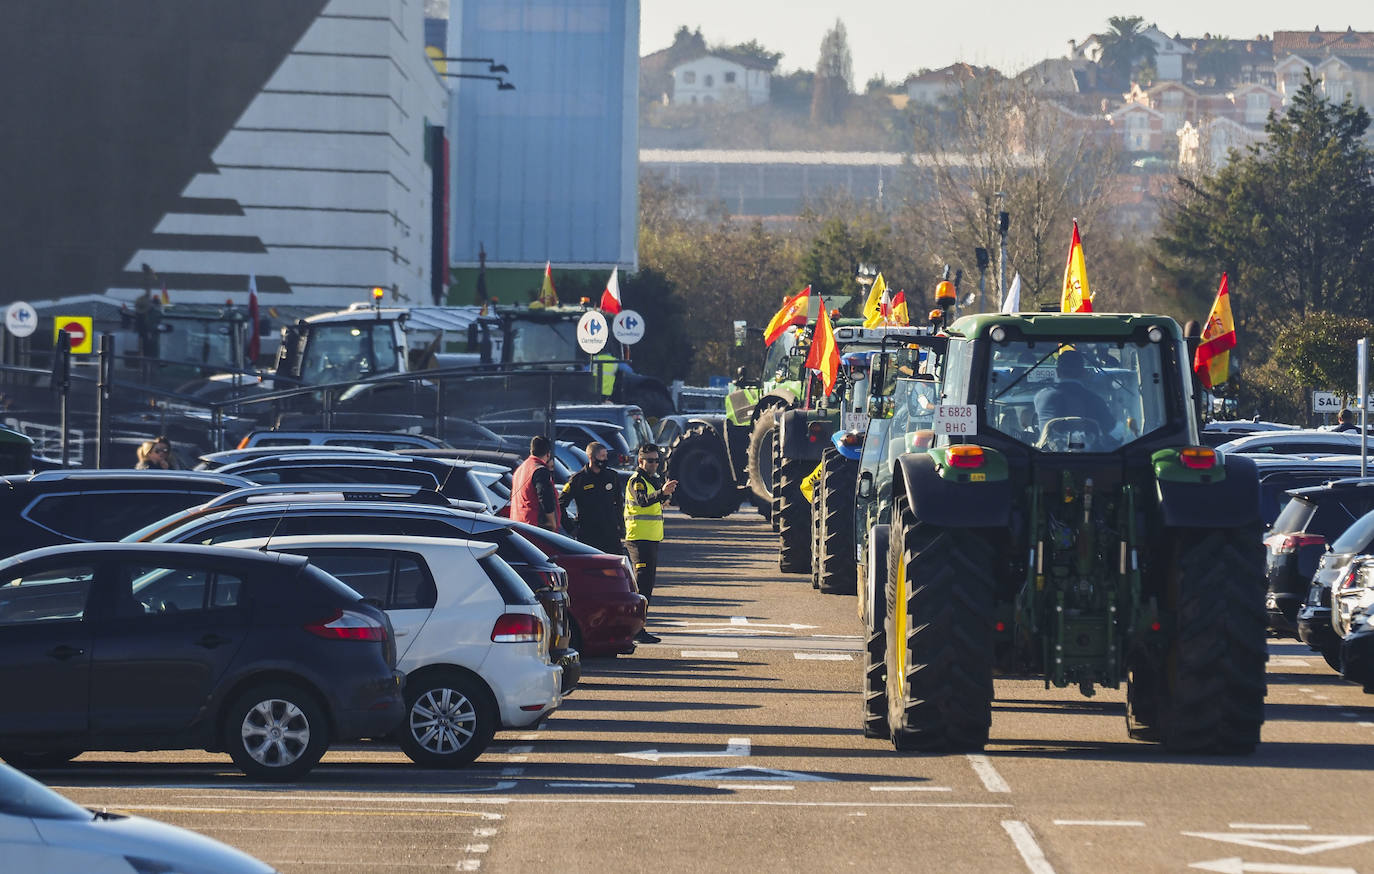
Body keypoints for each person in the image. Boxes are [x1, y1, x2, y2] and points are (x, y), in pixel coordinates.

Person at [624, 443, 677, 644]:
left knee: (647, 586)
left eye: (657, 460)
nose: (655, 464)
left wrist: (665, 494)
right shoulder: (637, 480)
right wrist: (661, 493)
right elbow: (643, 500)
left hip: (651, 539)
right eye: (651, 460)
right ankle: (635, 629)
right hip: (638, 539)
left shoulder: (651, 480)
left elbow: (658, 500)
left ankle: (639, 627)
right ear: (640, 461)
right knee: (641, 586)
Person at [1033, 349, 1116, 440]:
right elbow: (1109, 426)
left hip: (1048, 452)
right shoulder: (1095, 400)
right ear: (1084, 373)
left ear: (1057, 372)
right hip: (1089, 453)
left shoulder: (1041, 397)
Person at [559, 441, 624, 554]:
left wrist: (621, 526)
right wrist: (571, 529)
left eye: (606, 456)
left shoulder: (612, 476)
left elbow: (619, 503)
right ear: (591, 457)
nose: (605, 459)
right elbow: (560, 504)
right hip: (588, 535)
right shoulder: (578, 480)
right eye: (602, 456)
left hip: (611, 534)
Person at [510, 435, 559, 530]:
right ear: (548, 454)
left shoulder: (520, 469)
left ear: (531, 451)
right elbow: (545, 497)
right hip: (536, 529)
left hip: (519, 525)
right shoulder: (540, 470)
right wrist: (552, 522)